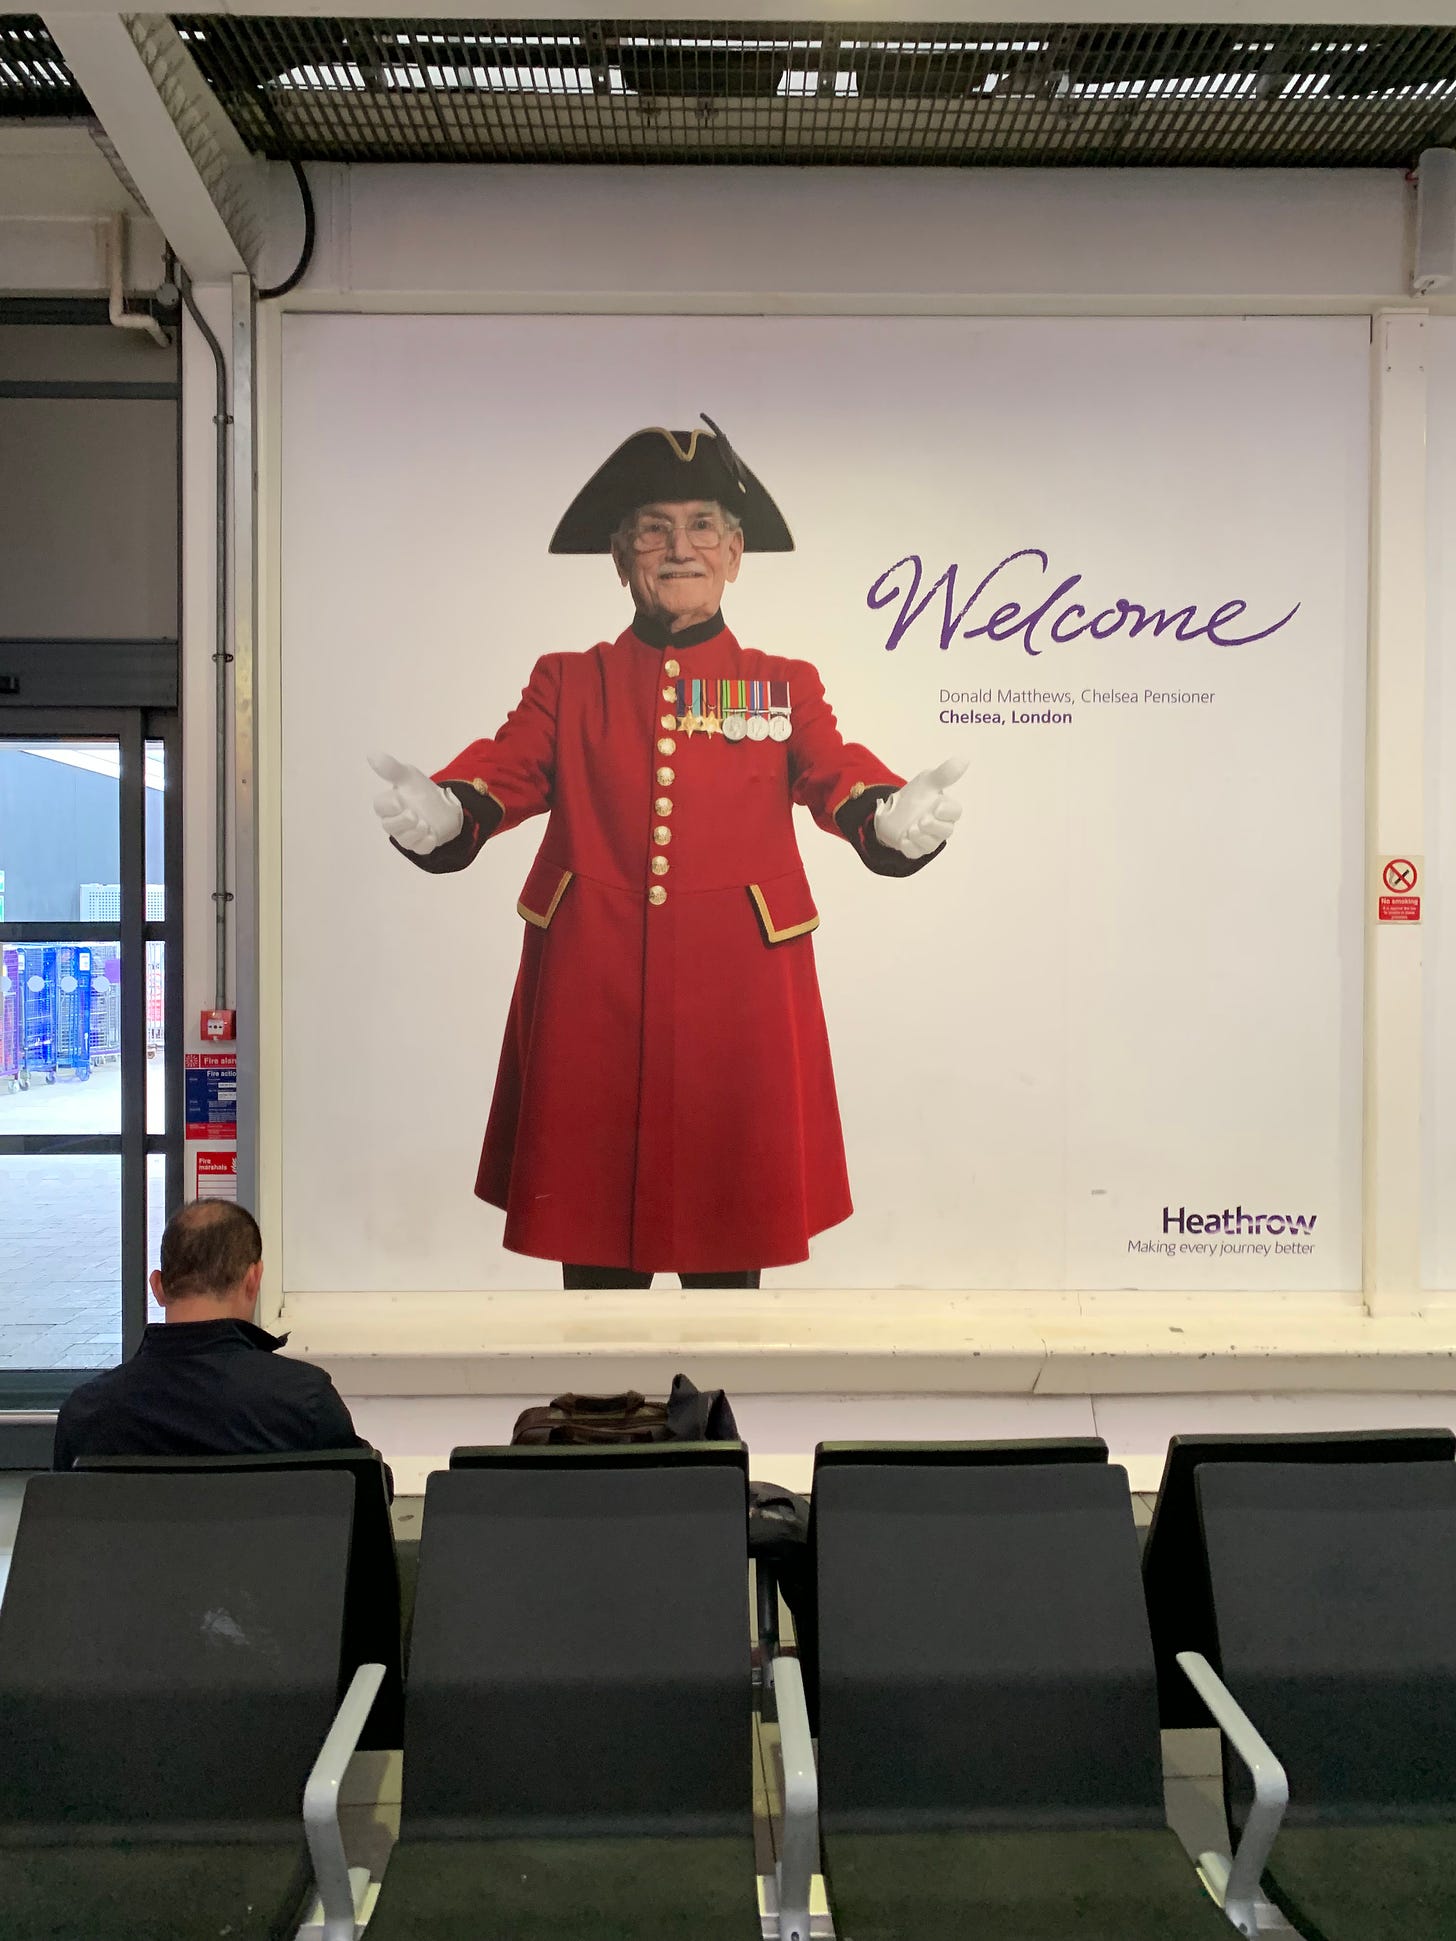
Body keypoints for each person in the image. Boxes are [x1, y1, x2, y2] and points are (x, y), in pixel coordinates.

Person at [369, 416, 965, 1290]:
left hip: (739, 1006)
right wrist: (453, 809)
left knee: (732, 1264)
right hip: (593, 995)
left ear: (733, 555)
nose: (678, 547)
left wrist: (884, 815)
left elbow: (833, 771)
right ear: (621, 558)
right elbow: (509, 765)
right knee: (595, 1275)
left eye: (700, 528)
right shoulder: (570, 680)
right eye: (653, 528)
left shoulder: (780, 683)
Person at [53, 1199, 386, 1483]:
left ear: (158, 1286)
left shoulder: (87, 1412)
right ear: (253, 1279)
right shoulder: (304, 1399)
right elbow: (366, 1502)